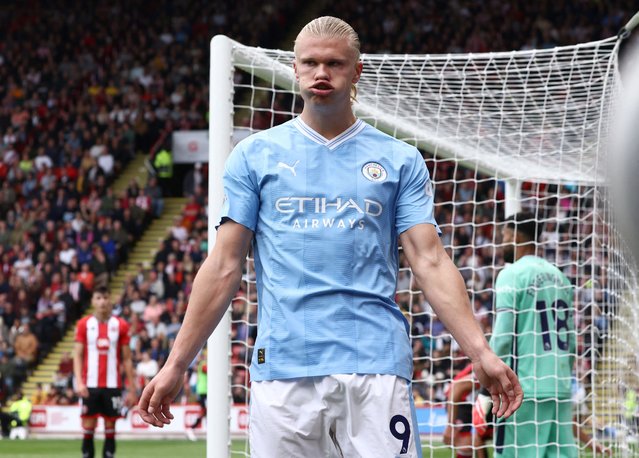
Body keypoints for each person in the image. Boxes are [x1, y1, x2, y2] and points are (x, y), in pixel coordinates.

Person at [138, 16, 522, 457]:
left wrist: (480, 351)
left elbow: (430, 260)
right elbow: (224, 266)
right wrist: (176, 364)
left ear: (356, 71)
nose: (322, 74)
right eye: (311, 63)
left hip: (375, 368)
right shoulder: (254, 156)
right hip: (284, 370)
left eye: (335, 64)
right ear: (296, 70)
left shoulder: (400, 159)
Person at [489, 211, 581, 457]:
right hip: (560, 386)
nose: (502, 242)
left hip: (523, 390)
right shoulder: (561, 278)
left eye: (505, 235)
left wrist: (486, 383)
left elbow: (503, 337)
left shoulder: (511, 274)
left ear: (517, 236)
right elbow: (571, 341)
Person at [74, 286, 136, 458]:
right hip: (90, 384)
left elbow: (127, 359)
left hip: (112, 384)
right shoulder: (84, 324)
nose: (102, 301)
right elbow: (77, 355)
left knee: (110, 426)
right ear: (93, 301)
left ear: (110, 301)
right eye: (99, 298)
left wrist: (131, 389)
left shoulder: (120, 325)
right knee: (88, 425)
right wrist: (79, 382)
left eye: (105, 297)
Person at [185, 349, 207, 441]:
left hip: (205, 391)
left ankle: (205, 430)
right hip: (203, 391)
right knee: (204, 411)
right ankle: (191, 428)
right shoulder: (203, 365)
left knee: (205, 412)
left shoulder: (202, 364)